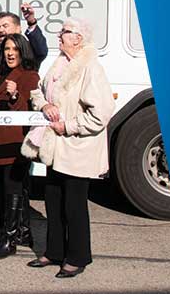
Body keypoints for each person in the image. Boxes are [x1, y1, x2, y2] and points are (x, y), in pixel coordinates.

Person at [24, 17, 113, 278]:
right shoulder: (60, 63)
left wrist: (69, 126)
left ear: (79, 38)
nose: (60, 35)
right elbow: (38, 92)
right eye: (61, 31)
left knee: (73, 205)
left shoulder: (91, 68)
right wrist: (44, 106)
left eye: (65, 31)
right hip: (56, 148)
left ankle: (77, 257)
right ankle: (54, 252)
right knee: (53, 199)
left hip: (77, 148)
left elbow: (102, 113)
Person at [0, 33, 41, 259]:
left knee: (13, 190)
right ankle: (24, 232)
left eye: (15, 49)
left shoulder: (30, 76)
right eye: (6, 49)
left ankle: (9, 240)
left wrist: (15, 96)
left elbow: (32, 112)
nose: (10, 53)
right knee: (12, 188)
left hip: (16, 144)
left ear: (22, 51)